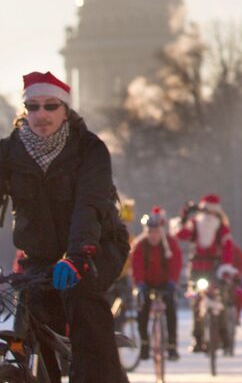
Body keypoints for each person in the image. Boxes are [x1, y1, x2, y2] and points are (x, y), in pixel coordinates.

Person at [0, 72, 131, 383]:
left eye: (50, 106)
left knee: (83, 301)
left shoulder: (89, 148)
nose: (41, 114)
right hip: (41, 254)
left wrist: (77, 256)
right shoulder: (8, 152)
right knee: (28, 313)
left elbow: (90, 206)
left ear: (65, 109)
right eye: (33, 107)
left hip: (97, 246)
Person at [172, 193, 234, 352]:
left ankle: (225, 337)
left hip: (215, 268)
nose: (208, 215)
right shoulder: (194, 224)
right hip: (196, 268)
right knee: (196, 302)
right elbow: (181, 235)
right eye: (206, 211)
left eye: (211, 212)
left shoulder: (221, 227)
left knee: (220, 301)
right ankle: (197, 339)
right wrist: (184, 217)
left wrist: (226, 266)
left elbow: (227, 247)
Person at [131, 206, 183, 361]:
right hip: (146, 283)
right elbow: (136, 266)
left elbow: (176, 263)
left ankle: (172, 346)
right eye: (150, 232)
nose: (153, 235)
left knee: (171, 309)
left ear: (161, 231)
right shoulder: (140, 245)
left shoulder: (171, 244)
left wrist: (173, 282)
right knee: (142, 310)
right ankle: (145, 345)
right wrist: (139, 283)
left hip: (166, 283)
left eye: (156, 232)